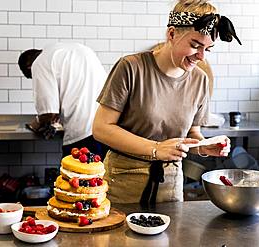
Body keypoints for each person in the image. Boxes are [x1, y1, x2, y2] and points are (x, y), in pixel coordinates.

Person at [92, 0, 242, 205]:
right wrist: (155, 148)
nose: (201, 57)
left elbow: (191, 133)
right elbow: (101, 128)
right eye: (195, 45)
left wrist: (202, 146)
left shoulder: (200, 79)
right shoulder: (131, 67)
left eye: (208, 49)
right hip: (123, 180)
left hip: (170, 183)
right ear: (171, 34)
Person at [18, 42, 108, 158]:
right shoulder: (76, 50)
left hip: (82, 133)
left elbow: (48, 113)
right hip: (107, 128)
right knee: (103, 174)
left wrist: (35, 124)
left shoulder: (40, 62)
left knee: (76, 174)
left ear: (29, 67)